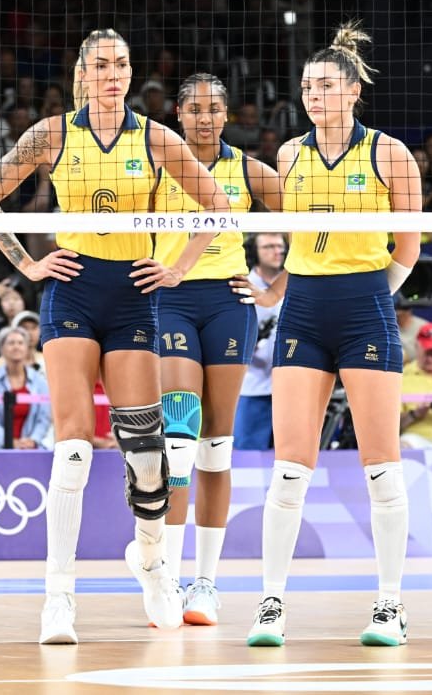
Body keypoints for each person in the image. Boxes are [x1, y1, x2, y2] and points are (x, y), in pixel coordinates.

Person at [0, 28, 231, 644]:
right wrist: (29, 264)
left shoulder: (156, 138)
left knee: (147, 456)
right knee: (75, 446)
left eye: (122, 64)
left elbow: (219, 205)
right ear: (82, 74)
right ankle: (58, 597)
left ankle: (150, 562)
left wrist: (179, 267)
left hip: (134, 294)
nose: (113, 74)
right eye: (102, 65)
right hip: (74, 290)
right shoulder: (53, 133)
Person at [235, 23, 421, 648]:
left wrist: (370, 294)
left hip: (366, 304)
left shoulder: (391, 154)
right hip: (305, 311)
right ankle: (270, 604)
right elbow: (292, 248)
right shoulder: (289, 155)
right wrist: (283, 292)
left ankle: (389, 606)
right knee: (291, 468)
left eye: (325, 85)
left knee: (381, 468)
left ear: (352, 90)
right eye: (307, 86)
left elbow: (410, 246)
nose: (314, 95)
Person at [152, 73, 282, 625]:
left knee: (215, 447)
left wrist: (274, 289)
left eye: (214, 109)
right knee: (178, 436)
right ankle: (167, 578)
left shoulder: (248, 170)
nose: (205, 117)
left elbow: (311, 222)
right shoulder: (156, 163)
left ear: (226, 115)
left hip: (230, 304)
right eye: (195, 109)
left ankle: (204, 585)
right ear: (178, 114)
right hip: (170, 300)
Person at [234, 233, 287, 450]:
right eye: (269, 247)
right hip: (253, 385)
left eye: (281, 247)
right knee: (248, 457)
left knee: (290, 457)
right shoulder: (242, 284)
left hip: (289, 384)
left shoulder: (297, 281)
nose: (277, 252)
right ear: (254, 251)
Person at [0, 325, 52, 450]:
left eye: (20, 343)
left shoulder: (40, 381)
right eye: (11, 343)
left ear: (27, 348)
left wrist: (32, 440)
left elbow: (44, 419)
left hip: (31, 448)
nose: (16, 346)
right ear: (2, 349)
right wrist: (11, 443)